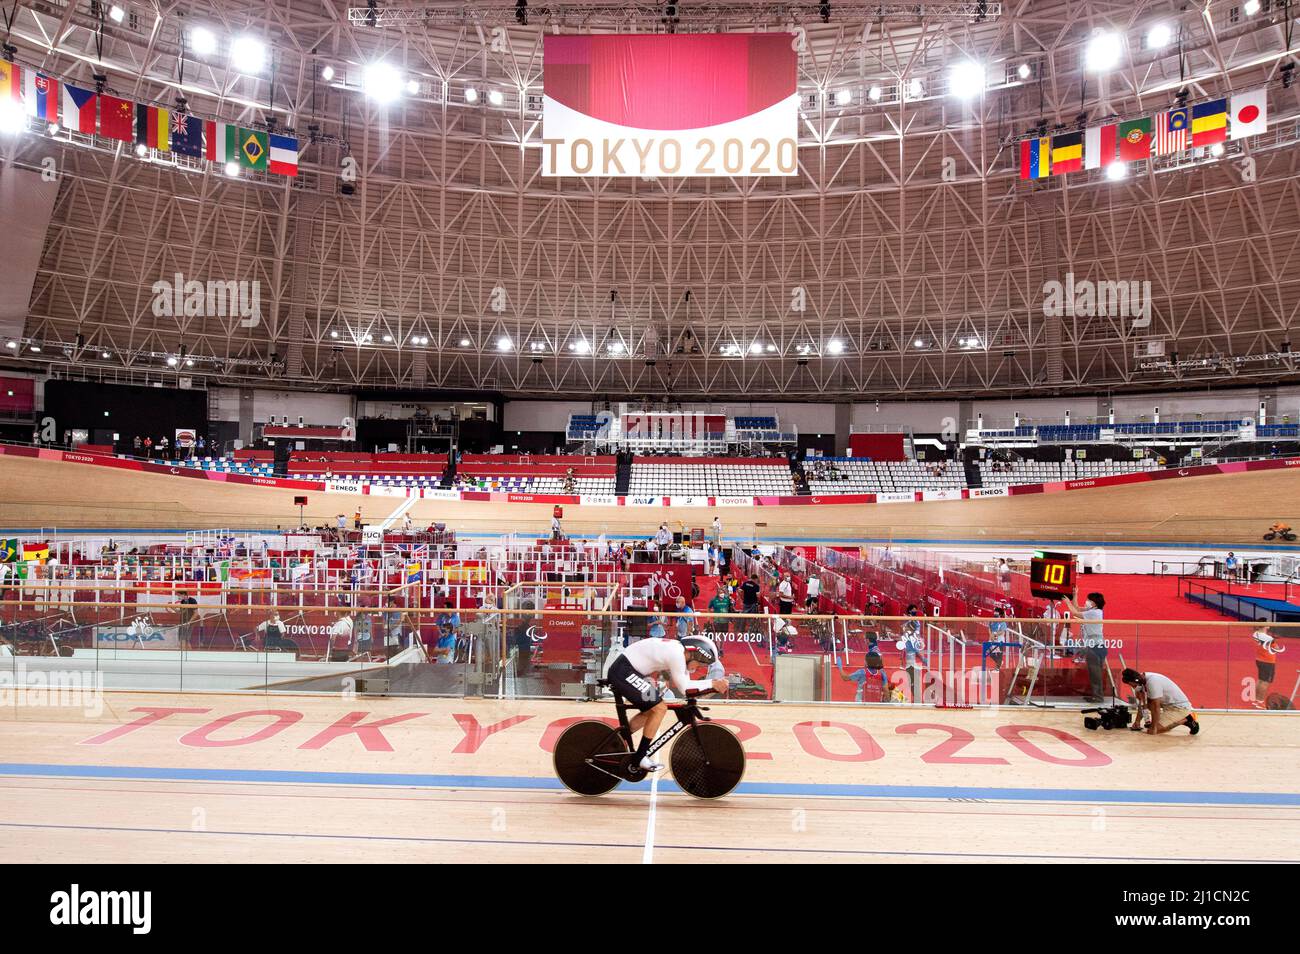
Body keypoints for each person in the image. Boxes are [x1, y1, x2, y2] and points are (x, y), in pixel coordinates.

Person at [606, 635, 726, 772]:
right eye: (701, 663)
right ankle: (640, 757)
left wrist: (712, 685)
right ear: (695, 653)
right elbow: (684, 688)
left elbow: (687, 686)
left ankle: (616, 743)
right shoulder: (676, 654)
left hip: (628, 671)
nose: (698, 667)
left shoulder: (679, 651)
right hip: (623, 671)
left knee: (650, 711)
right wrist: (713, 683)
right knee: (659, 708)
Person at [1121, 668, 1200, 735]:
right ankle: (1166, 720)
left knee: (1154, 731)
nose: (1134, 688)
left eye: (1133, 685)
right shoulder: (1141, 678)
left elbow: (1156, 707)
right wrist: (1137, 722)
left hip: (1179, 708)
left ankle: (1187, 719)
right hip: (1167, 704)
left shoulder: (1153, 682)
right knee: (1149, 703)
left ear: (1136, 680)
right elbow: (1143, 704)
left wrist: (1154, 727)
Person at [1062, 591, 1107, 702]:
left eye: (1089, 600)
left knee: (1095, 673)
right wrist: (1075, 595)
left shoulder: (1094, 613)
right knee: (1093, 672)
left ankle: (1098, 697)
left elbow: (1075, 612)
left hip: (1095, 646)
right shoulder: (1093, 611)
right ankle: (1095, 695)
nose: (1087, 602)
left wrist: (1067, 602)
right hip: (1094, 645)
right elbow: (1077, 608)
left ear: (1094, 603)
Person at [840, 637, 889, 703]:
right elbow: (886, 690)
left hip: (861, 702)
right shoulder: (882, 673)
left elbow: (845, 678)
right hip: (876, 703)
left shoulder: (861, 672)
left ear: (866, 662)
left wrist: (840, 667)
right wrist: (888, 702)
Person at [1252, 627, 1286, 707]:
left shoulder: (1255, 634)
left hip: (1259, 659)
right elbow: (1277, 648)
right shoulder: (1269, 638)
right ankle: (1260, 702)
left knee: (1260, 680)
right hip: (1267, 661)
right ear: (1265, 626)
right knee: (1265, 682)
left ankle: (1256, 701)